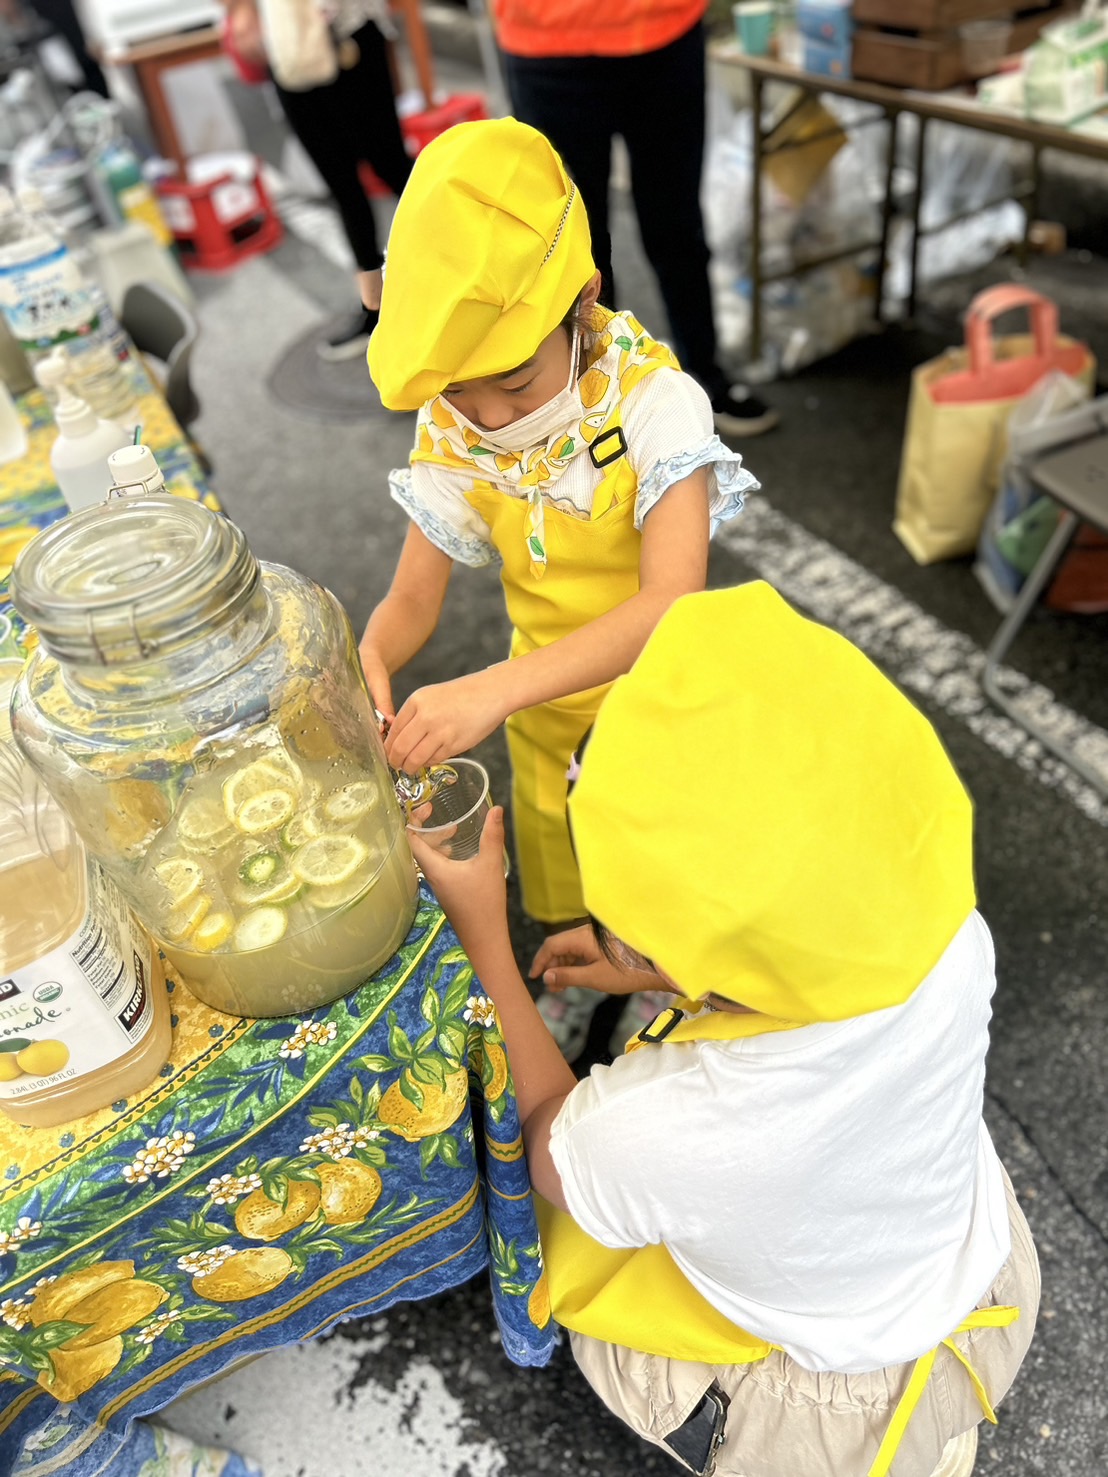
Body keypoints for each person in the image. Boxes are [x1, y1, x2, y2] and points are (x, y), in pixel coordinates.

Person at [408, 579, 1040, 1477]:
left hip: (820, 1418)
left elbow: (550, 1145)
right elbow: (792, 887)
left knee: (576, 1243)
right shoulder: (950, 936)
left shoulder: (670, 1127)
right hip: (976, 1282)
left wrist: (486, 944)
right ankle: (935, 1432)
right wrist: (653, 955)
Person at [361, 117, 758, 1055]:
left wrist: (491, 689)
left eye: (513, 380)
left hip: (662, 707)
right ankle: (587, 967)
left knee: (670, 872)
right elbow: (413, 596)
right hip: (545, 715)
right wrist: (370, 655)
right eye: (462, 392)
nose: (492, 418)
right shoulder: (459, 422)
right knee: (565, 867)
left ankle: (679, 992)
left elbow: (670, 604)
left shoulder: (657, 405)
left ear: (586, 296)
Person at [491, 0, 779, 439]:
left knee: (677, 224)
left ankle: (704, 375)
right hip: (546, 39)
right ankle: (598, 397)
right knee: (575, 243)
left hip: (663, 29)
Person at [222, 0, 412, 359]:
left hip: (348, 31)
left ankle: (467, 272)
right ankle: (374, 308)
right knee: (343, 187)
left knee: (392, 167)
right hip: (290, 43)